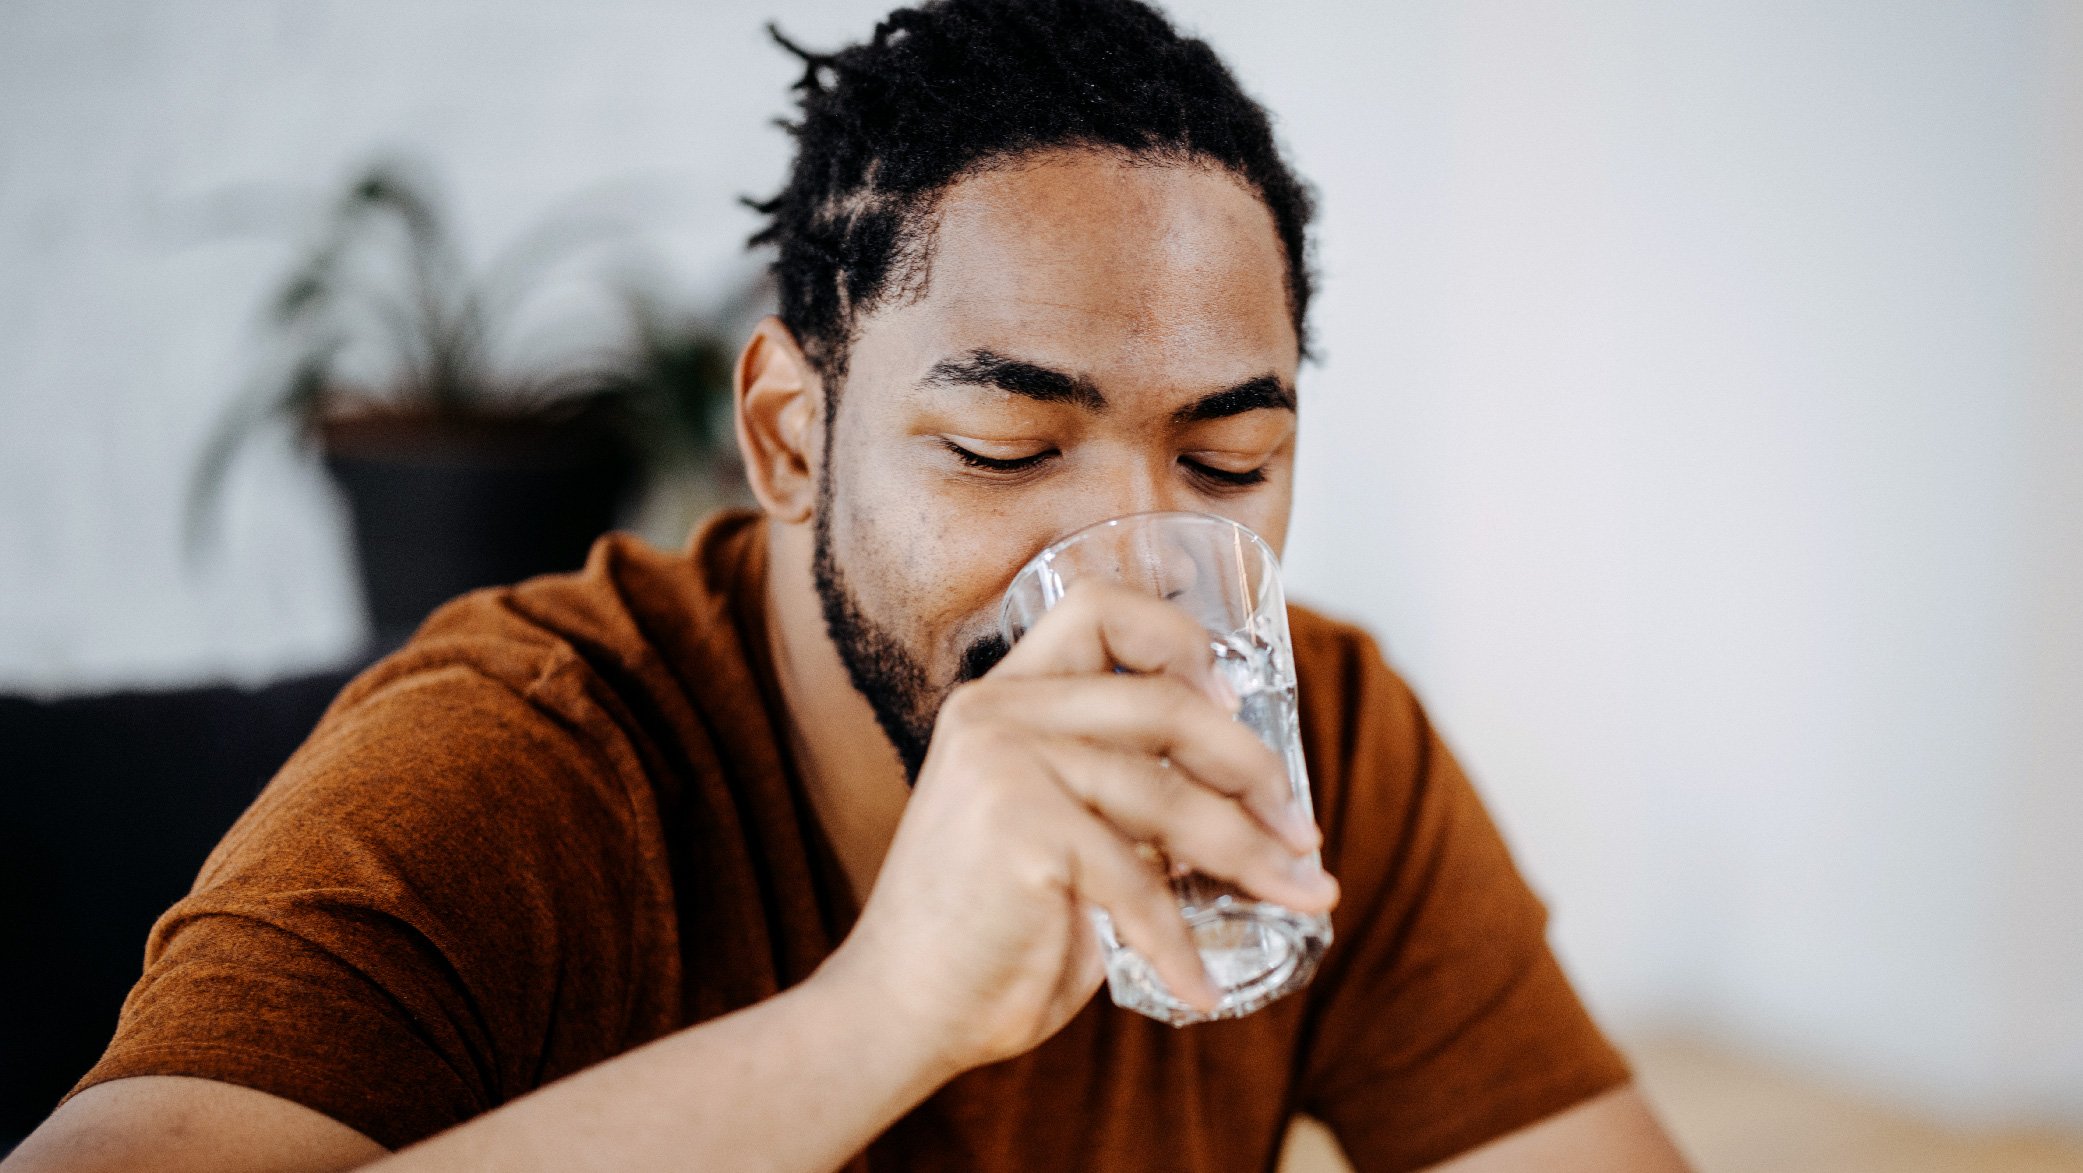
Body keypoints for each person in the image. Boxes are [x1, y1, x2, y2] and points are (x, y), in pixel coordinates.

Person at [5, 1, 1691, 1169]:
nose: (1144, 577)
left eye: (1230, 463)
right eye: (1007, 448)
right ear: (791, 437)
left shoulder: (1329, 749)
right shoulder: (509, 765)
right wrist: (880, 1016)